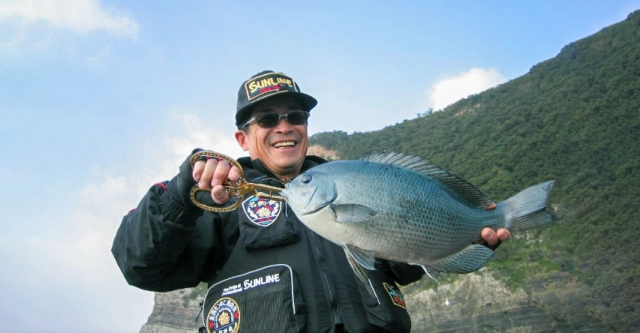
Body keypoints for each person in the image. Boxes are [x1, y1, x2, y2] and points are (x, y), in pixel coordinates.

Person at [112, 70, 511, 333]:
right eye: (267, 119)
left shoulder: (354, 182)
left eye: (295, 116)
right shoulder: (220, 197)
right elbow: (141, 266)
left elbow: (405, 261)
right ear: (242, 139)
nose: (284, 126)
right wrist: (182, 192)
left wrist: (467, 236)